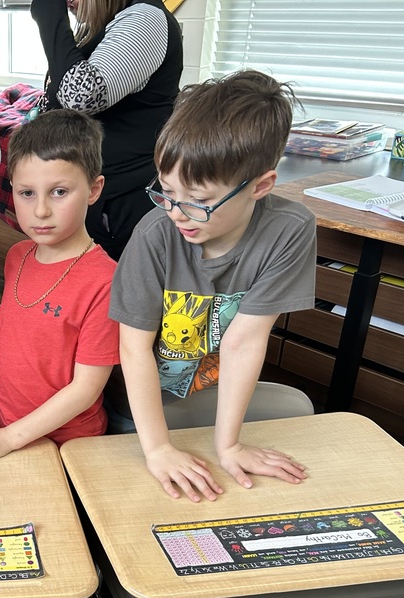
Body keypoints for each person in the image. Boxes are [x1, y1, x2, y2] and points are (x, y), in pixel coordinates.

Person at [109, 69, 317, 503]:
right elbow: (132, 349)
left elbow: (244, 341)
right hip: (139, 410)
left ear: (260, 185)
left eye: (200, 201)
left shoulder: (290, 230)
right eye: (166, 191)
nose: (178, 212)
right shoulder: (154, 235)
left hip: (214, 403)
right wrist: (159, 448)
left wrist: (229, 445)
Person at [0, 109, 118, 468]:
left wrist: (9, 438)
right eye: (26, 193)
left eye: (59, 192)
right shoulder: (19, 254)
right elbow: (18, 325)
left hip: (67, 448)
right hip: (4, 424)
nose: (40, 210)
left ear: (94, 189)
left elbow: (86, 389)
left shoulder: (105, 281)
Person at [30, 0, 182, 260]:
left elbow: (80, 96)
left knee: (118, 294)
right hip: (97, 199)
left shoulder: (147, 18)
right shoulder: (111, 24)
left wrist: (48, 12)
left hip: (120, 206)